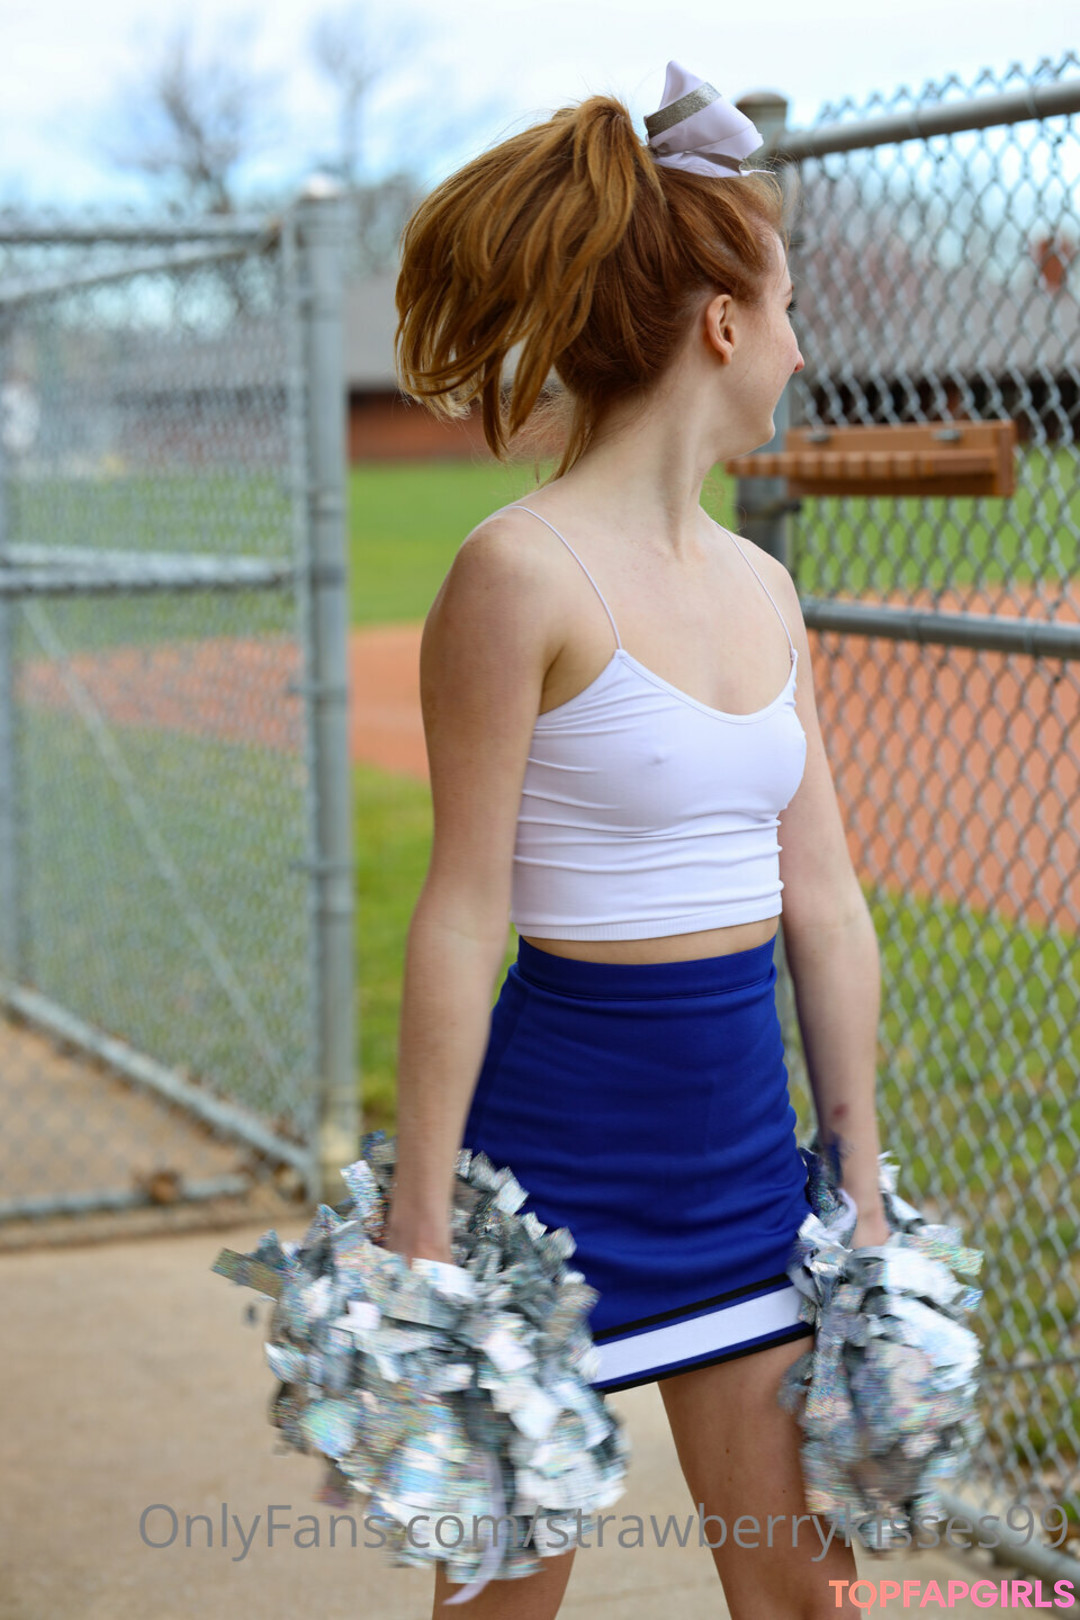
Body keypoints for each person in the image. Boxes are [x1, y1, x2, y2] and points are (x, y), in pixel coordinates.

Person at [385, 61, 889, 1620]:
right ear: (723, 325)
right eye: (791, 309)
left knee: (803, 1597)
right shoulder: (518, 574)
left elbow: (825, 900)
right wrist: (422, 1217)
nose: (802, 346)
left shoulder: (764, 587)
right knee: (503, 1604)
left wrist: (859, 1173)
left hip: (742, 1171)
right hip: (553, 1179)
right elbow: (462, 911)